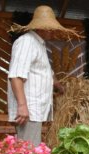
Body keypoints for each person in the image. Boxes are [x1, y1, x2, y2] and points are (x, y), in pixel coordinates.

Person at [8, 5, 81, 146]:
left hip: (34, 111)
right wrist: (22, 106)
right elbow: (16, 75)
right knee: (29, 152)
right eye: (52, 29)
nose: (54, 33)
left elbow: (45, 71)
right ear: (44, 28)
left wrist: (59, 86)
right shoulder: (26, 42)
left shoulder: (38, 44)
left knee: (32, 150)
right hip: (29, 110)